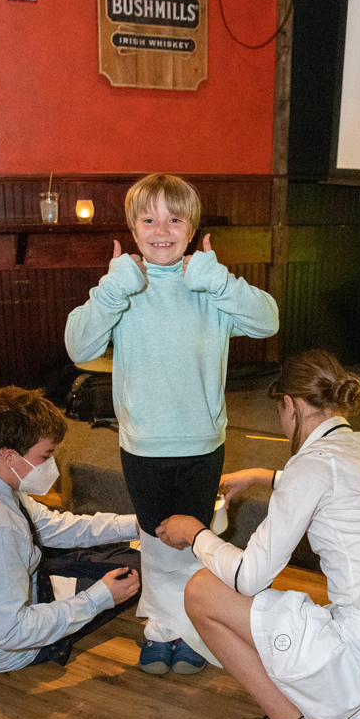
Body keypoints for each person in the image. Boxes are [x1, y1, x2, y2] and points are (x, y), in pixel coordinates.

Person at [156, 349, 360, 719]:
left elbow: (249, 577)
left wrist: (193, 532)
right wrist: (262, 476)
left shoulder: (311, 466)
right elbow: (336, 487)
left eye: (280, 411)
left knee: (201, 592)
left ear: (289, 406)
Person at [64, 173, 279, 676]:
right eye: (149, 219)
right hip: (142, 445)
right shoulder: (124, 286)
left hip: (202, 444)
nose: (162, 230)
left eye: (175, 219)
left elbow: (267, 321)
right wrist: (112, 289)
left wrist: (218, 280)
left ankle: (191, 630)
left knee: (194, 541)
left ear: (192, 229)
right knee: (159, 543)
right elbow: (79, 347)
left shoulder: (208, 284)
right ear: (133, 231)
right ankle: (163, 630)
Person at [0, 386, 140, 673]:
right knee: (132, 568)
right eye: (45, 456)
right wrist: (100, 599)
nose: (51, 465)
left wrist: (134, 525)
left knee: (95, 543)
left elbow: (51, 525)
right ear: (9, 456)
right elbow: (12, 632)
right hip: (5, 651)